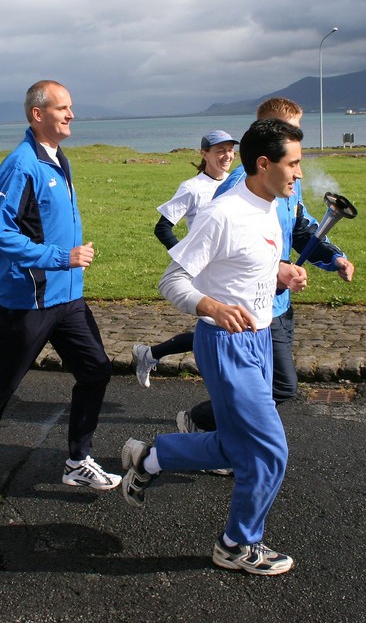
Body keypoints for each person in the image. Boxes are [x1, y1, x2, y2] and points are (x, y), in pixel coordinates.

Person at [121, 119, 308, 576]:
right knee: (269, 452)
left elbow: (242, 264)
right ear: (264, 164)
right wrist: (212, 306)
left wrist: (278, 272)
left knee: (235, 446)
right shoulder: (222, 214)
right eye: (294, 163)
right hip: (227, 346)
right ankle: (236, 546)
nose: (300, 174)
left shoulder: (267, 205)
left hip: (260, 340)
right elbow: (173, 280)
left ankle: (151, 456)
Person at [0, 80, 120, 499]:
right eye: (63, 108)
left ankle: (78, 460)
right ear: (38, 114)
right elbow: (0, 235)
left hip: (68, 299)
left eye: (71, 107)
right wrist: (63, 257)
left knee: (96, 369)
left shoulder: (56, 159)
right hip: (28, 301)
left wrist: (69, 262)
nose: (71, 114)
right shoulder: (21, 165)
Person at [176, 97, 355, 435]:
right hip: (248, 309)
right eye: (290, 130)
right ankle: (203, 428)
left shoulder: (287, 178)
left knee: (264, 392)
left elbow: (301, 228)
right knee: (278, 389)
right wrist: (276, 270)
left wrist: (333, 258)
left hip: (279, 303)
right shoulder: (237, 188)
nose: (295, 137)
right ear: (265, 135)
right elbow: (225, 247)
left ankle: (228, 439)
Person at [132, 129, 239, 388]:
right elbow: (162, 227)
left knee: (222, 328)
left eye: (230, 150)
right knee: (221, 327)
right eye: (219, 150)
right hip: (205, 271)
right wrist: (188, 258)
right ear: (205, 154)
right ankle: (221, 399)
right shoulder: (193, 188)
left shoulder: (239, 182)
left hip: (232, 267)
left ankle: (150, 354)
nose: (226, 156)